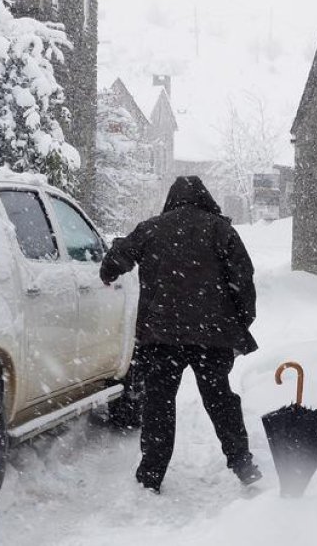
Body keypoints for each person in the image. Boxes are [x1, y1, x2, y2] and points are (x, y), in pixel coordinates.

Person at [100, 176, 261, 493]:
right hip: (211, 338)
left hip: (161, 337)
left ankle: (151, 475)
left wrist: (109, 270)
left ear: (172, 199)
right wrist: (241, 322)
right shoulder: (221, 230)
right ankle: (243, 464)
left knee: (158, 404)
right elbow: (244, 279)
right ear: (205, 197)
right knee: (220, 400)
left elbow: (118, 258)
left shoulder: (151, 228)